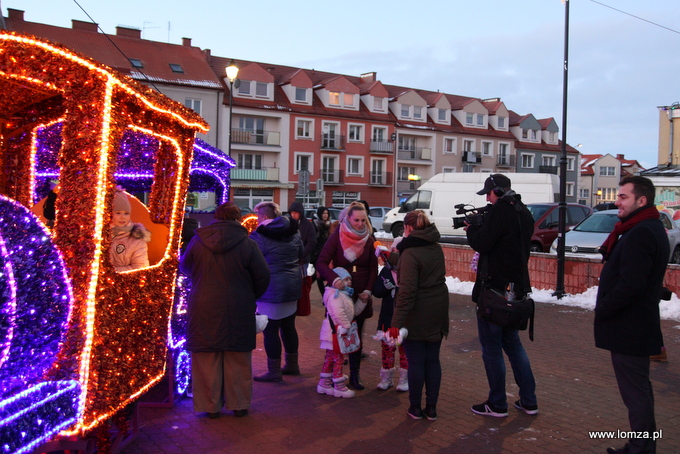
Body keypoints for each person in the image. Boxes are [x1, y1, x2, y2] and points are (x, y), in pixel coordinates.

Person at [595, 176, 668, 454]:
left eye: (623, 197)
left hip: (630, 327)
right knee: (639, 391)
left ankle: (641, 448)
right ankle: (641, 445)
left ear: (641, 200)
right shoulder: (644, 227)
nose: (617, 201)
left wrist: (605, 307)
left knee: (636, 393)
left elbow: (631, 285)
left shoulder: (642, 232)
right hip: (635, 326)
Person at [179, 202, 270, 419]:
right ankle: (238, 404)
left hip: (203, 304)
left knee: (207, 355)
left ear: (216, 218)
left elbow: (185, 267)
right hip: (238, 305)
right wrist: (248, 295)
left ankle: (211, 406)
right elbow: (263, 276)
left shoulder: (197, 241)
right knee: (237, 355)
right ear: (238, 219)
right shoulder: (248, 244)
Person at [466, 173, 538, 418]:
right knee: (513, 345)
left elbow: (483, 243)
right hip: (516, 289)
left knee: (492, 348)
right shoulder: (524, 212)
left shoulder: (499, 212)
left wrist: (472, 229)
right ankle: (529, 400)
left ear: (496, 191)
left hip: (494, 290)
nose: (487, 198)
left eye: (488, 193)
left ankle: (497, 403)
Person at [388, 211, 448, 420]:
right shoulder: (435, 247)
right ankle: (431, 408)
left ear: (408, 228)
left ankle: (415, 407)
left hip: (417, 313)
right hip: (437, 309)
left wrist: (396, 323)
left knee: (416, 362)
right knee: (432, 361)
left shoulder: (411, 253)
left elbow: (407, 292)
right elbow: (422, 268)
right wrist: (393, 257)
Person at [316, 201, 377, 390]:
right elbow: (321, 263)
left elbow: (373, 268)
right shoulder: (337, 236)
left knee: (356, 334)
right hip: (340, 293)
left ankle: (355, 375)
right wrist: (334, 279)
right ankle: (332, 375)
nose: (360, 224)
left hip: (361, 293)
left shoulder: (369, 238)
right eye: (356, 220)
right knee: (338, 334)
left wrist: (368, 289)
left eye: (363, 220)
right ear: (348, 219)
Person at [250, 201, 304, 382]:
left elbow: (252, 260)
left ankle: (274, 370)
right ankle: (292, 364)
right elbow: (301, 254)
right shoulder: (294, 231)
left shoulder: (259, 236)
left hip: (270, 288)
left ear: (264, 217)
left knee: (270, 330)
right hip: (292, 285)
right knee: (289, 326)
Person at [317, 267, 366, 398]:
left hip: (335, 332)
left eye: (349, 279)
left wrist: (362, 302)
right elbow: (338, 313)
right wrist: (347, 326)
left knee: (330, 357)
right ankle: (339, 385)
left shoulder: (343, 294)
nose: (349, 282)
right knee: (338, 359)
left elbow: (352, 312)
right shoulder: (335, 295)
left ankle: (324, 382)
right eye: (345, 279)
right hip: (336, 332)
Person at [372, 238, 408, 392]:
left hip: (404, 320)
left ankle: (404, 379)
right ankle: (386, 377)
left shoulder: (408, 270)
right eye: (393, 250)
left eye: (399, 252)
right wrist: (387, 285)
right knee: (387, 350)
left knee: (405, 351)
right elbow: (377, 291)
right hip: (387, 317)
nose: (395, 254)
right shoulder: (386, 270)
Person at [287, 201, 317, 323]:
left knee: (303, 283)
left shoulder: (307, 225)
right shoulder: (287, 223)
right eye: (292, 213)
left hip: (302, 260)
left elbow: (312, 241)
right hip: (289, 259)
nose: (294, 215)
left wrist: (303, 253)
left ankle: (301, 304)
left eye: (296, 213)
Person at [109, 186, 151, 271]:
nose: (123, 217)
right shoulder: (99, 237)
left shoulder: (137, 239)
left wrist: (110, 272)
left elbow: (140, 268)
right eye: (118, 213)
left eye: (126, 213)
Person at [313, 206, 332, 295]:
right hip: (317, 253)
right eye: (323, 213)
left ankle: (304, 288)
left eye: (326, 213)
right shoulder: (316, 224)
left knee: (317, 275)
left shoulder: (329, 225)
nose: (325, 215)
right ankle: (324, 295)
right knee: (319, 274)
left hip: (326, 253)